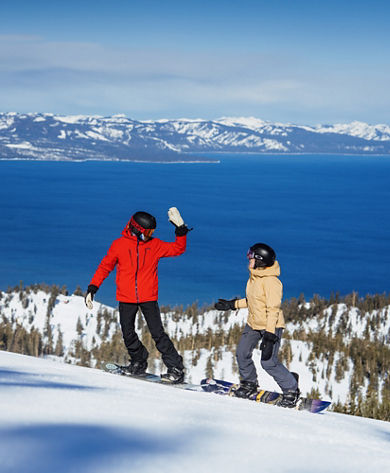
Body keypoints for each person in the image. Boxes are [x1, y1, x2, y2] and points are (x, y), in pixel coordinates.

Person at [85, 208, 190, 384]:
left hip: (148, 296)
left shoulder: (154, 245)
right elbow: (105, 267)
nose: (150, 235)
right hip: (126, 297)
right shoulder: (119, 245)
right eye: (148, 232)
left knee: (157, 333)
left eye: (152, 232)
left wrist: (181, 230)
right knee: (128, 332)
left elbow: (178, 249)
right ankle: (138, 361)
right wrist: (93, 288)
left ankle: (176, 368)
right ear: (136, 229)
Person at [215, 243, 300, 407]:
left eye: (251, 256)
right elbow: (253, 301)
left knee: (268, 362)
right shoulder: (254, 278)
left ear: (259, 261)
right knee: (242, 353)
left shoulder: (272, 282)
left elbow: (273, 309)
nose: (248, 258)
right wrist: (232, 305)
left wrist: (269, 335)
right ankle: (249, 383)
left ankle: (291, 390)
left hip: (271, 326)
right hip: (253, 323)